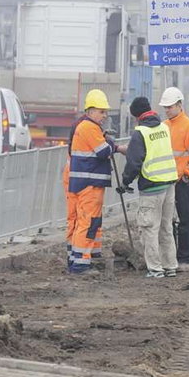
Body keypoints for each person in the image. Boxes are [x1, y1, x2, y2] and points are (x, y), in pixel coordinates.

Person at [119, 97, 179, 278]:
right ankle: (170, 266)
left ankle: (155, 268)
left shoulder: (140, 133)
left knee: (149, 227)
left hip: (152, 186)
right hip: (169, 183)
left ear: (137, 116)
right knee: (166, 226)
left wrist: (125, 182)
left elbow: (134, 162)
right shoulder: (164, 128)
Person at [67, 89, 126, 273]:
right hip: (89, 185)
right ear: (90, 111)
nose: (104, 115)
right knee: (88, 222)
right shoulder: (89, 128)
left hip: (83, 183)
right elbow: (103, 151)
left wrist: (107, 140)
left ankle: (75, 259)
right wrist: (112, 144)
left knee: (81, 222)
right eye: (101, 111)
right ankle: (81, 264)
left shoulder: (84, 127)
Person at [159, 87, 189, 271]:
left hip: (182, 181)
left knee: (185, 219)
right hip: (166, 180)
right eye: (165, 107)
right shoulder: (164, 126)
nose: (167, 110)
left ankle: (184, 258)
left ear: (180, 105)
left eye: (170, 106)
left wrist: (187, 175)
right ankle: (170, 258)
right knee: (167, 221)